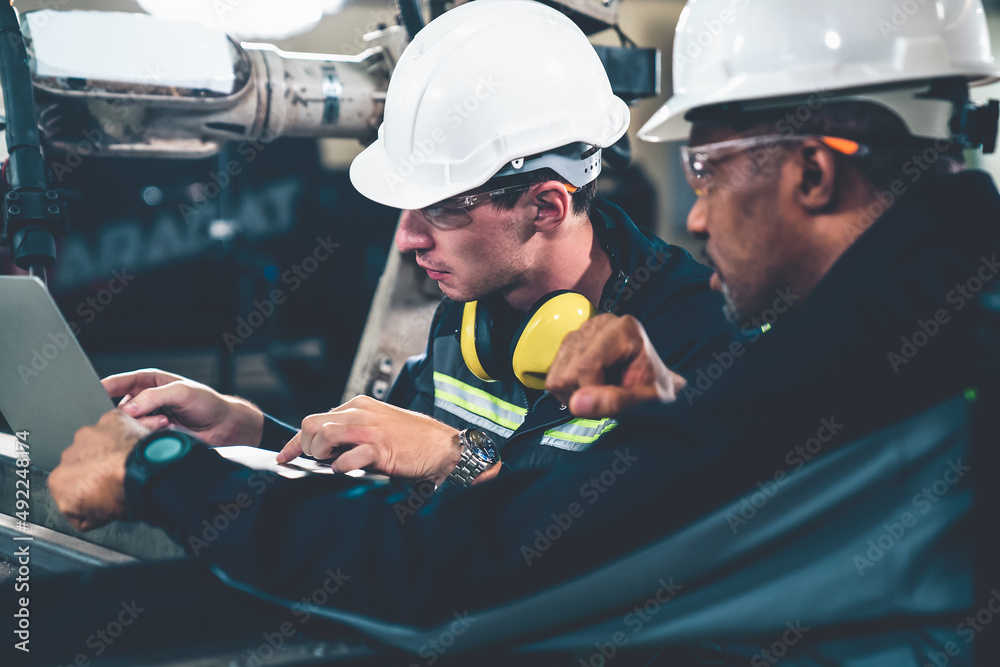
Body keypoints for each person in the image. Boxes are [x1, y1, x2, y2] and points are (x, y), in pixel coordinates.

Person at [36, 0, 1000, 665]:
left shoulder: (862, 360)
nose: (696, 216)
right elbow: (734, 497)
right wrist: (256, 435)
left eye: (705, 167)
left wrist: (165, 473)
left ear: (814, 175)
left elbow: (468, 580)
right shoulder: (933, 308)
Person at [102, 0, 733, 490]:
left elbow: (638, 553)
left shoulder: (695, 341)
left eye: (442, 208)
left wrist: (456, 459)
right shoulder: (469, 309)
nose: (407, 239)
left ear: (547, 205)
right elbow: (391, 471)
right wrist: (251, 432)